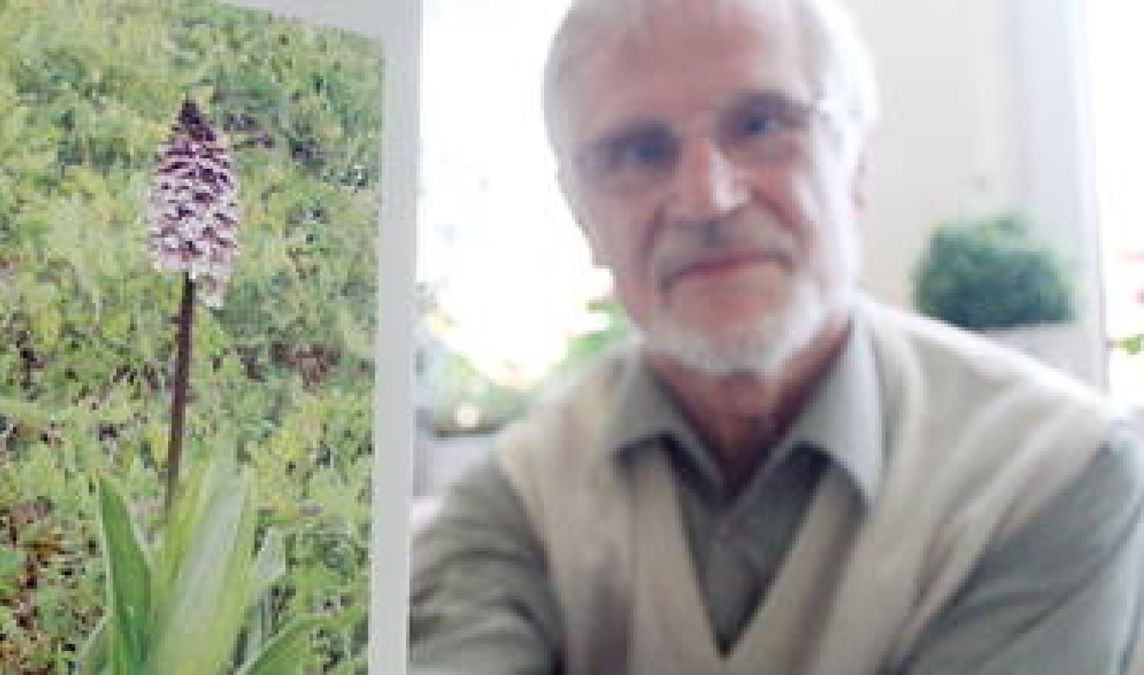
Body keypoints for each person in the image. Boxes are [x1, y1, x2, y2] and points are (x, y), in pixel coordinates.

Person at [409, 0, 1144, 672]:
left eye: (761, 123)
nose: (706, 196)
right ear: (582, 215)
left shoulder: (1056, 471)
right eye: (638, 150)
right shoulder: (518, 500)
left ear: (856, 163)